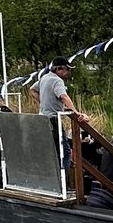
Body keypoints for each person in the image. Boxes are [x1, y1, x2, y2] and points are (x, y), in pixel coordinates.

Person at [33, 56, 79, 189]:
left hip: (42, 120)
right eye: (67, 69)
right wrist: (75, 112)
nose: (68, 73)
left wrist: (44, 102)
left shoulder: (44, 78)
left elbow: (32, 90)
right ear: (59, 69)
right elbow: (64, 97)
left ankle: (50, 182)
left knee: (50, 152)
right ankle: (62, 183)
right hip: (53, 120)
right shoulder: (57, 81)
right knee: (65, 152)